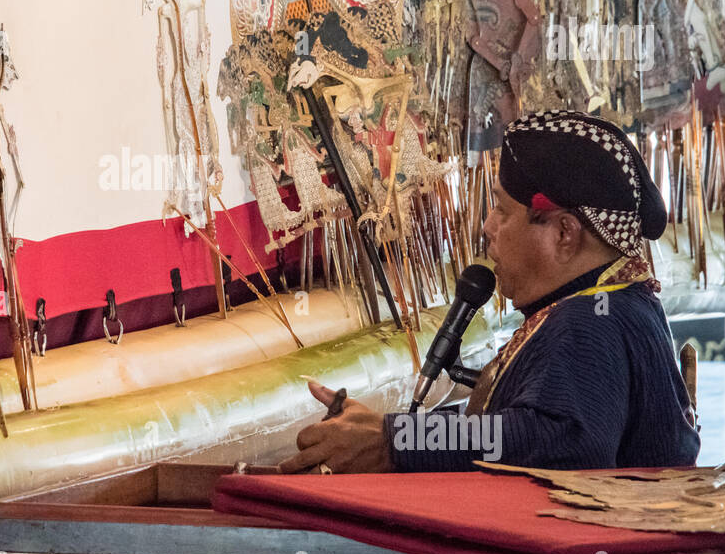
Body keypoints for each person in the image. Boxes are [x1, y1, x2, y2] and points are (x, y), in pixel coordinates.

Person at [279, 109, 701, 474]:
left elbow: (559, 442)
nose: (487, 227)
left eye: (502, 211)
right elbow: (528, 428)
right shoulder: (617, 305)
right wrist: (385, 433)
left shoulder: (593, 319)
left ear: (565, 233)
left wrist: (397, 440)